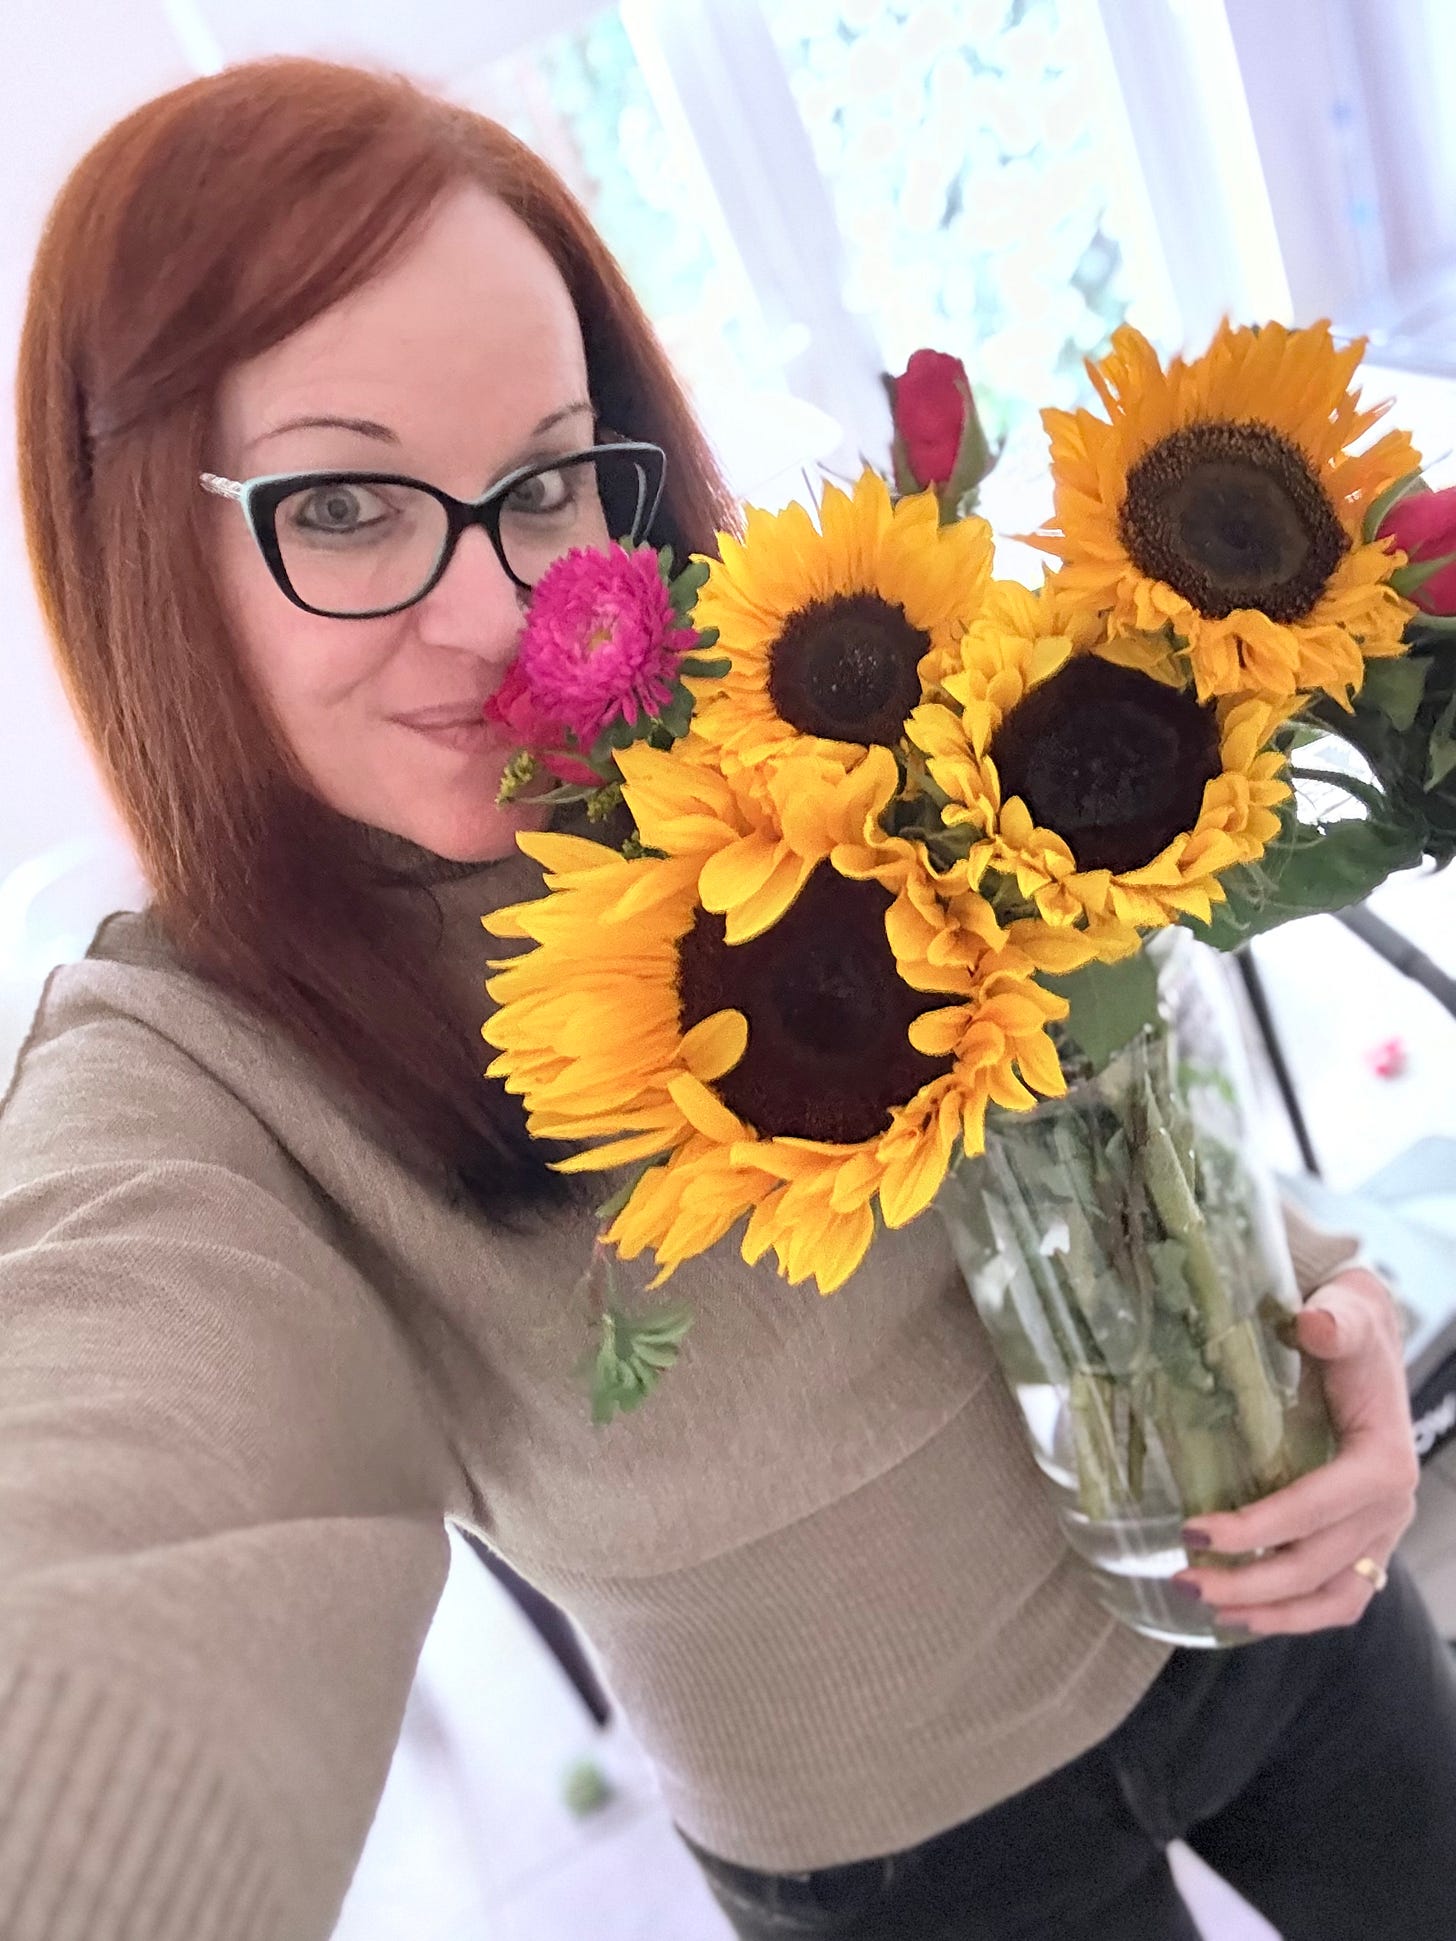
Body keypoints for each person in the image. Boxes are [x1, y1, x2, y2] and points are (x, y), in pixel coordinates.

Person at [1, 57, 1450, 1941]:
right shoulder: (201, 1082)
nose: (500, 612)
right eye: (346, 503)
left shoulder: (787, 705)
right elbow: (104, 1498)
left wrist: (1314, 1315)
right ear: (137, 540)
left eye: (544, 478)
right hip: (911, 1872)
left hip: (1270, 1623)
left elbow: (1094, 1073)